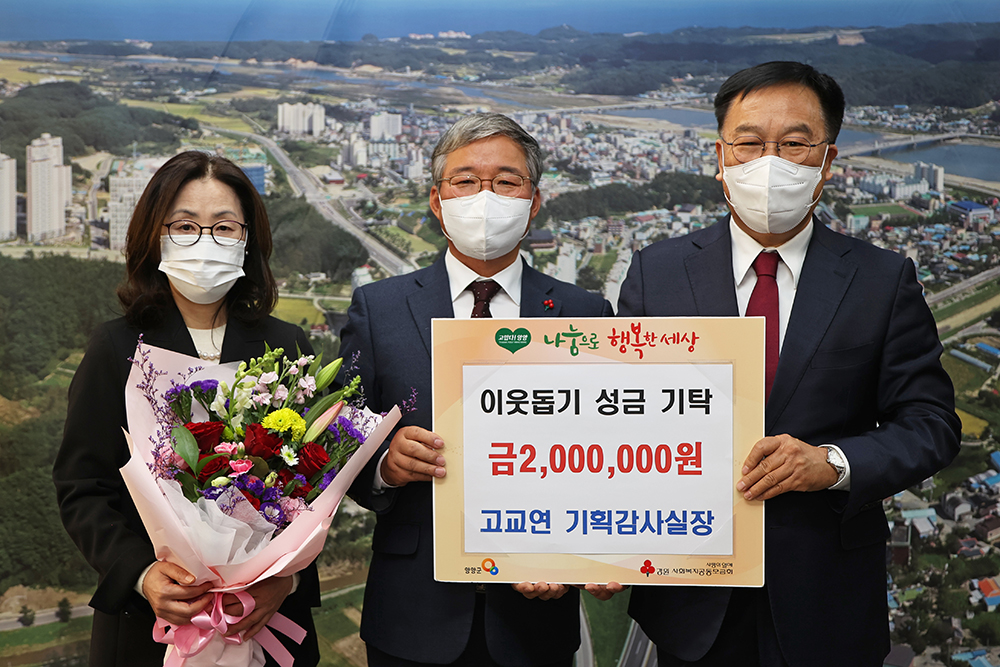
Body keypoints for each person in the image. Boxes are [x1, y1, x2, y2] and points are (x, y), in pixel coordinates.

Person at [618, 61, 960, 667]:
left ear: (827, 162)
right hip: (688, 596)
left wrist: (831, 463)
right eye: (748, 143)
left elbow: (931, 422)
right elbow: (620, 414)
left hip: (825, 597)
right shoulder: (656, 272)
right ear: (720, 158)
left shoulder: (882, 280)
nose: (769, 162)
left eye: (795, 143)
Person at [341, 112, 614, 667]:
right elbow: (336, 443)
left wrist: (579, 557)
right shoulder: (380, 309)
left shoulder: (585, 312)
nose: (485, 196)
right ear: (438, 202)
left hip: (537, 616)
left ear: (534, 202)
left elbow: (610, 453)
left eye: (506, 181)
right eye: (465, 181)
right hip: (413, 613)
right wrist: (383, 466)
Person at [53, 151, 320, 667]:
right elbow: (83, 485)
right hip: (151, 625)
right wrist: (141, 573)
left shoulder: (286, 346)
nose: (205, 241)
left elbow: (314, 490)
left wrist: (284, 579)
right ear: (156, 234)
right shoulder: (117, 347)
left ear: (249, 240)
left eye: (224, 227)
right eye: (185, 225)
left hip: (266, 623)